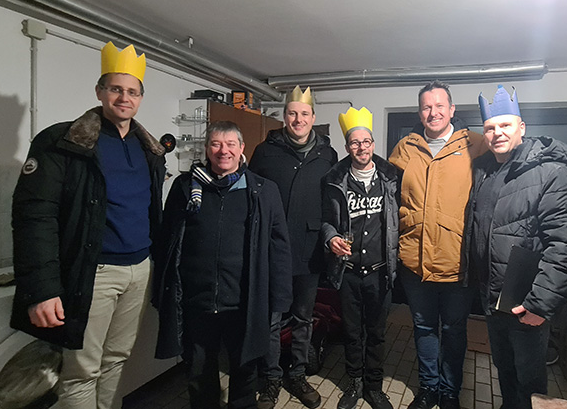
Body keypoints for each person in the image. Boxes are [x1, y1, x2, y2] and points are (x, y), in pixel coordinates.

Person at [10, 42, 166, 409]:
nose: (124, 98)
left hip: (139, 271)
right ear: (99, 91)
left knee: (116, 360)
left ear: (140, 99)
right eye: (115, 89)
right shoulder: (63, 142)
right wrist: (41, 289)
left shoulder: (149, 150)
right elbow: (35, 216)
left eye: (132, 92)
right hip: (93, 272)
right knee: (82, 370)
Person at [151, 121, 293, 409]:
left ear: (242, 149)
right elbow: (168, 240)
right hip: (197, 300)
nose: (223, 151)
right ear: (207, 149)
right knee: (199, 371)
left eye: (230, 144)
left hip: (244, 302)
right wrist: (162, 289)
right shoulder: (185, 187)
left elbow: (279, 247)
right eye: (216, 144)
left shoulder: (263, 191)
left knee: (245, 371)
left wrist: (279, 298)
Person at [464, 86, 567, 409]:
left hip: (525, 301)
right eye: (490, 128)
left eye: (505, 125)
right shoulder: (484, 171)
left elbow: (566, 245)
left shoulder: (552, 173)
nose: (497, 133)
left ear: (522, 127)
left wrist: (540, 305)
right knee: (505, 372)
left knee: (530, 382)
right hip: (493, 297)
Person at [388, 80, 486, 409]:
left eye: (439, 106)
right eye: (427, 107)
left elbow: (508, 165)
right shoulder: (405, 148)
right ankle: (429, 387)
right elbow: (387, 194)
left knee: (455, 330)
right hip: (414, 260)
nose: (433, 113)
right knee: (423, 327)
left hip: (457, 261)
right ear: (420, 113)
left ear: (452, 109)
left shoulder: (475, 145)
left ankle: (450, 392)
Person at [249, 85, 338, 409]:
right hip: (272, 249)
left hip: (309, 249)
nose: (298, 119)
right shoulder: (264, 152)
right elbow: (250, 197)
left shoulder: (328, 155)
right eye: (292, 113)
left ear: (313, 118)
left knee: (303, 317)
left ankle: (297, 374)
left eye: (304, 114)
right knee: (272, 318)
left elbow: (332, 203)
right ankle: (271, 377)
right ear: (284, 117)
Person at [321, 107, 399, 409]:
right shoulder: (333, 180)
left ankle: (374, 387)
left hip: (380, 271)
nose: (361, 147)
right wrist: (330, 238)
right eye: (355, 143)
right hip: (348, 271)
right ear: (347, 147)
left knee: (376, 333)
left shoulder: (391, 178)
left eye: (366, 141)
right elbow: (326, 220)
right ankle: (354, 382)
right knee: (352, 332)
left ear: (373, 144)